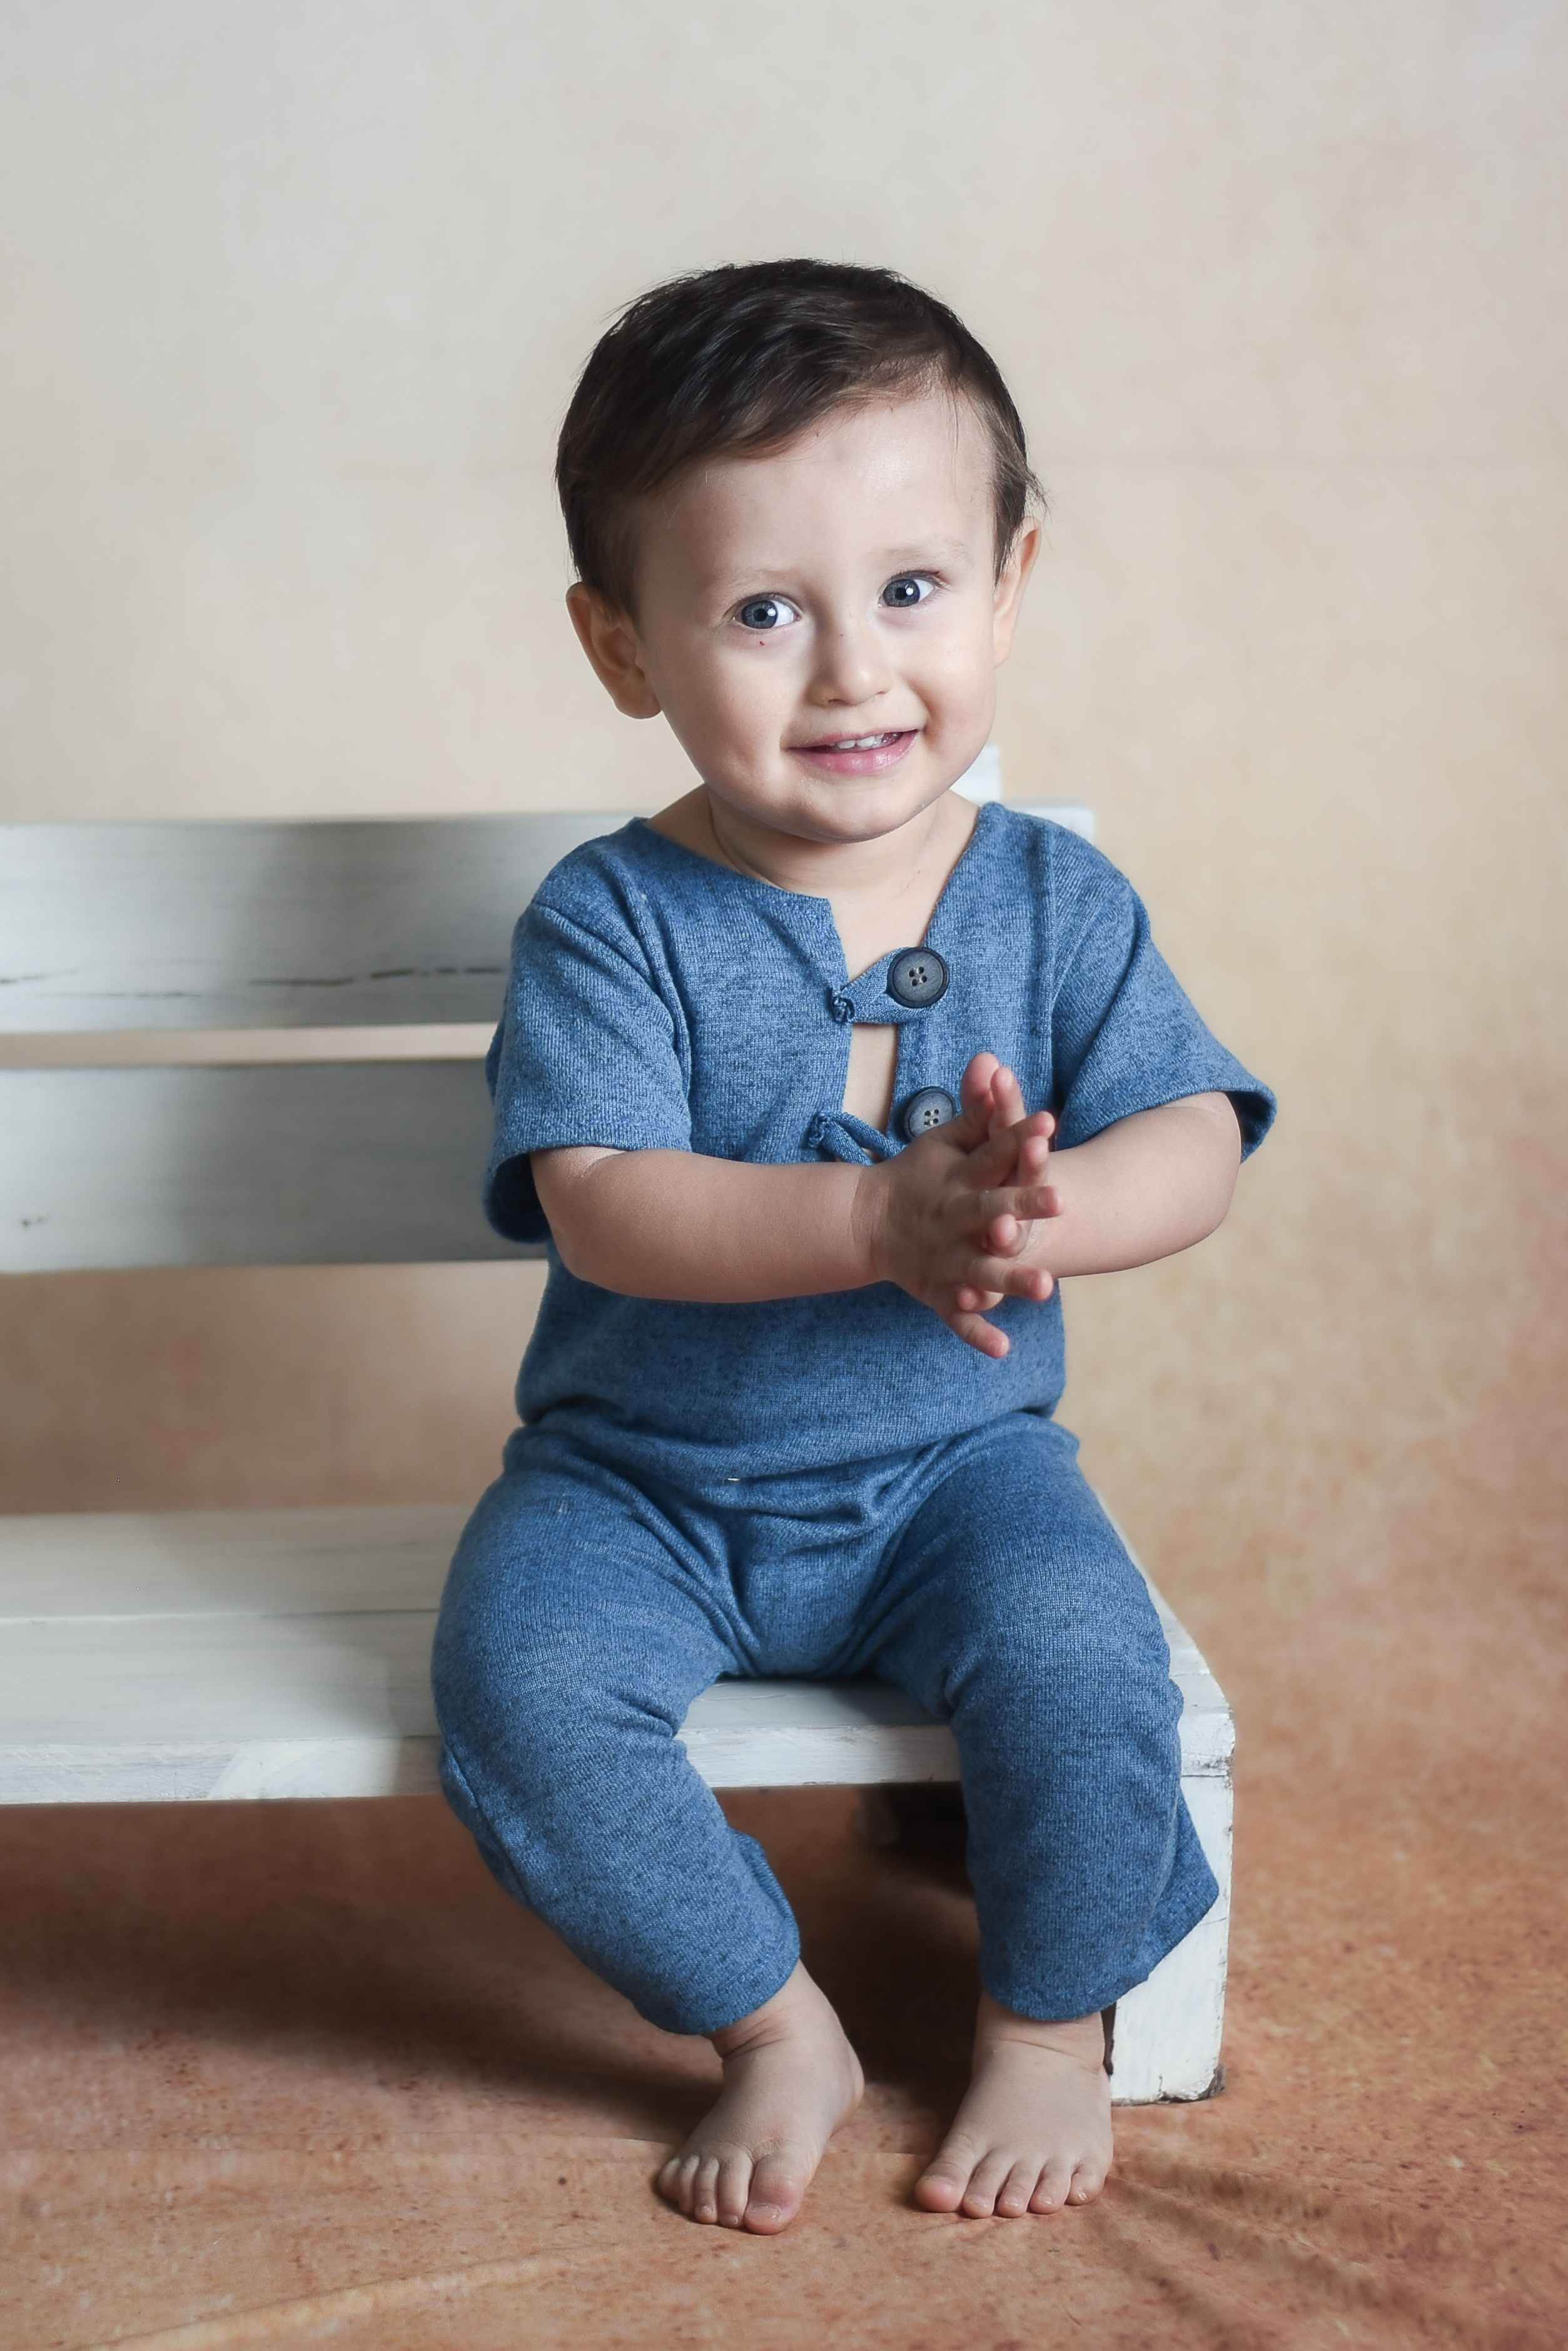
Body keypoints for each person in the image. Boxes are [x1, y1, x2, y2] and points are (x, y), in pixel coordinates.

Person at [432, 259, 1273, 2237]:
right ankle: (762, 2016)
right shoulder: (612, 920)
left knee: (1082, 1660)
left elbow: (1193, 1135)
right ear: (620, 644)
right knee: (515, 1683)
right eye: (758, 611)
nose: (850, 672)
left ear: (1006, 585)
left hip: (953, 1477)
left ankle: (1047, 2025)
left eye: (908, 589)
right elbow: (606, 1200)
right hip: (639, 1481)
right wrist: (879, 1220)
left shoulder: (1058, 903)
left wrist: (1035, 1211)